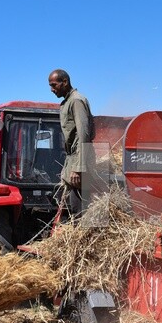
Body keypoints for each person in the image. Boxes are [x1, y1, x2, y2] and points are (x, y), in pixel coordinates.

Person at [48, 68, 95, 219]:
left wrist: (78, 168)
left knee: (79, 209)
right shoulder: (67, 102)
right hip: (73, 159)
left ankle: (83, 240)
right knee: (72, 208)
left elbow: (84, 134)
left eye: (54, 85)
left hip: (80, 160)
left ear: (65, 82)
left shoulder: (76, 101)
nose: (51, 89)